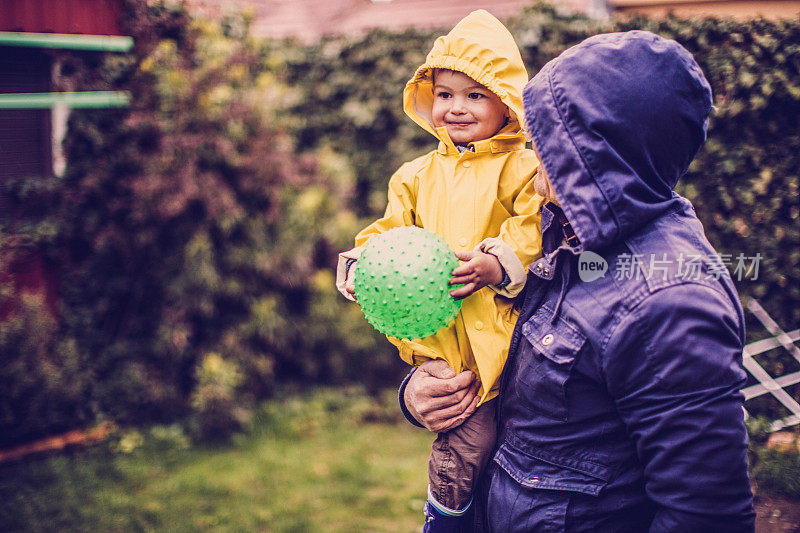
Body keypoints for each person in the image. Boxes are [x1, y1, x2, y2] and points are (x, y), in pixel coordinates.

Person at [401, 30, 756, 531]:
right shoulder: (556, 230)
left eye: (549, 137)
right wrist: (419, 388)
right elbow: (489, 336)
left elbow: (704, 513)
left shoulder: (671, 302)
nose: (528, 149)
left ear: (599, 151)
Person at [335, 10, 544, 532]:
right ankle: (443, 521)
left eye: (475, 95)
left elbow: (533, 229)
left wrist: (498, 262)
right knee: (462, 451)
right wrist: (364, 261)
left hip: (507, 343)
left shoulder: (524, 168)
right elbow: (387, 232)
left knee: (517, 457)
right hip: (448, 354)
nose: (456, 107)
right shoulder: (414, 176)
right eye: (446, 93)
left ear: (507, 101)